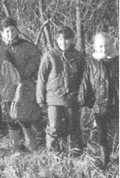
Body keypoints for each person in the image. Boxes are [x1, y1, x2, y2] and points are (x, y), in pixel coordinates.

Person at [0, 17, 42, 152]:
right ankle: (15, 146)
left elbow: (36, 60)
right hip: (8, 90)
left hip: (24, 88)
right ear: (2, 33)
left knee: (24, 116)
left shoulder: (27, 46)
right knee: (11, 117)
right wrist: (1, 86)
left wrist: (25, 74)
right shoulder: (0, 51)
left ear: (17, 30)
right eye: (7, 31)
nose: (10, 33)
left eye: (12, 30)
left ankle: (31, 145)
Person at [36, 27, 85, 155]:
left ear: (72, 40)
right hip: (54, 98)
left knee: (73, 125)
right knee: (54, 126)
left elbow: (82, 78)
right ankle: (53, 152)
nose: (63, 42)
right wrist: (41, 100)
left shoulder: (78, 56)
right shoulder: (50, 56)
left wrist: (82, 96)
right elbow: (41, 78)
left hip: (71, 98)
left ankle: (75, 150)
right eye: (60, 39)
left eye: (67, 39)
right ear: (56, 40)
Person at [79, 32, 119, 168]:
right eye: (100, 46)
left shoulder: (117, 60)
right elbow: (86, 82)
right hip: (100, 104)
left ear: (112, 45)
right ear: (95, 47)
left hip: (116, 103)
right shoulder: (92, 62)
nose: (104, 49)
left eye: (107, 45)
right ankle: (104, 160)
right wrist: (83, 99)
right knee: (101, 133)